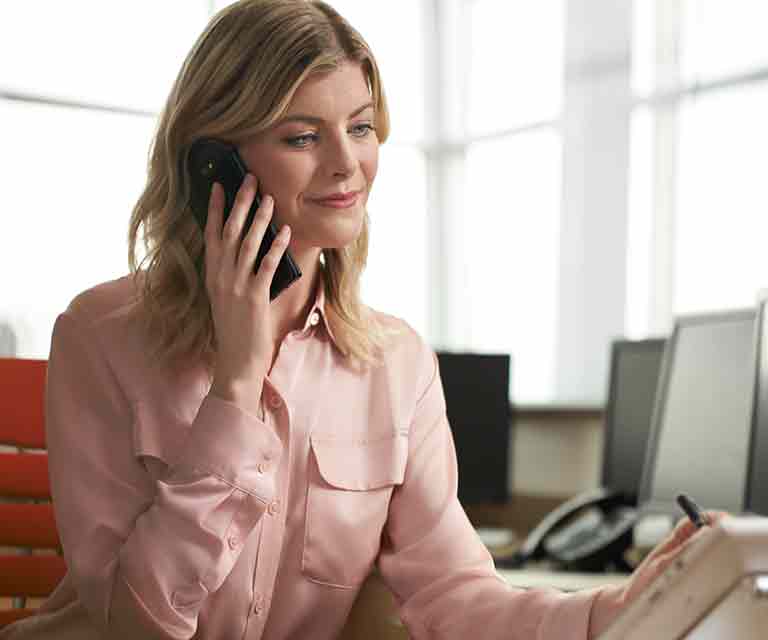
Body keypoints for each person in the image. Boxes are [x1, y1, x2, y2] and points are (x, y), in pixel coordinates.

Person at [0, 1, 718, 639]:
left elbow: (455, 599)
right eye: (303, 136)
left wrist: (618, 612)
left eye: (362, 127)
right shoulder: (100, 334)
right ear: (213, 163)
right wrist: (238, 386)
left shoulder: (395, 363)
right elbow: (138, 624)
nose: (349, 165)